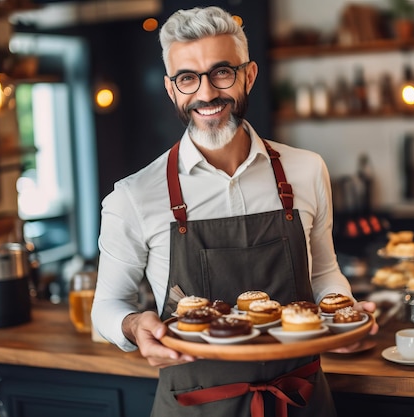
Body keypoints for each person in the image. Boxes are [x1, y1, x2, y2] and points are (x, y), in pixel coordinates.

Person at [92, 6, 378, 416]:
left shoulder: (306, 170)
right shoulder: (133, 196)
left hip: (302, 400)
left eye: (222, 72)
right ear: (172, 89)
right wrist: (134, 326)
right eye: (188, 78)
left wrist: (342, 318)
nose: (206, 94)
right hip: (193, 407)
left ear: (249, 75)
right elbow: (108, 306)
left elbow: (324, 273)